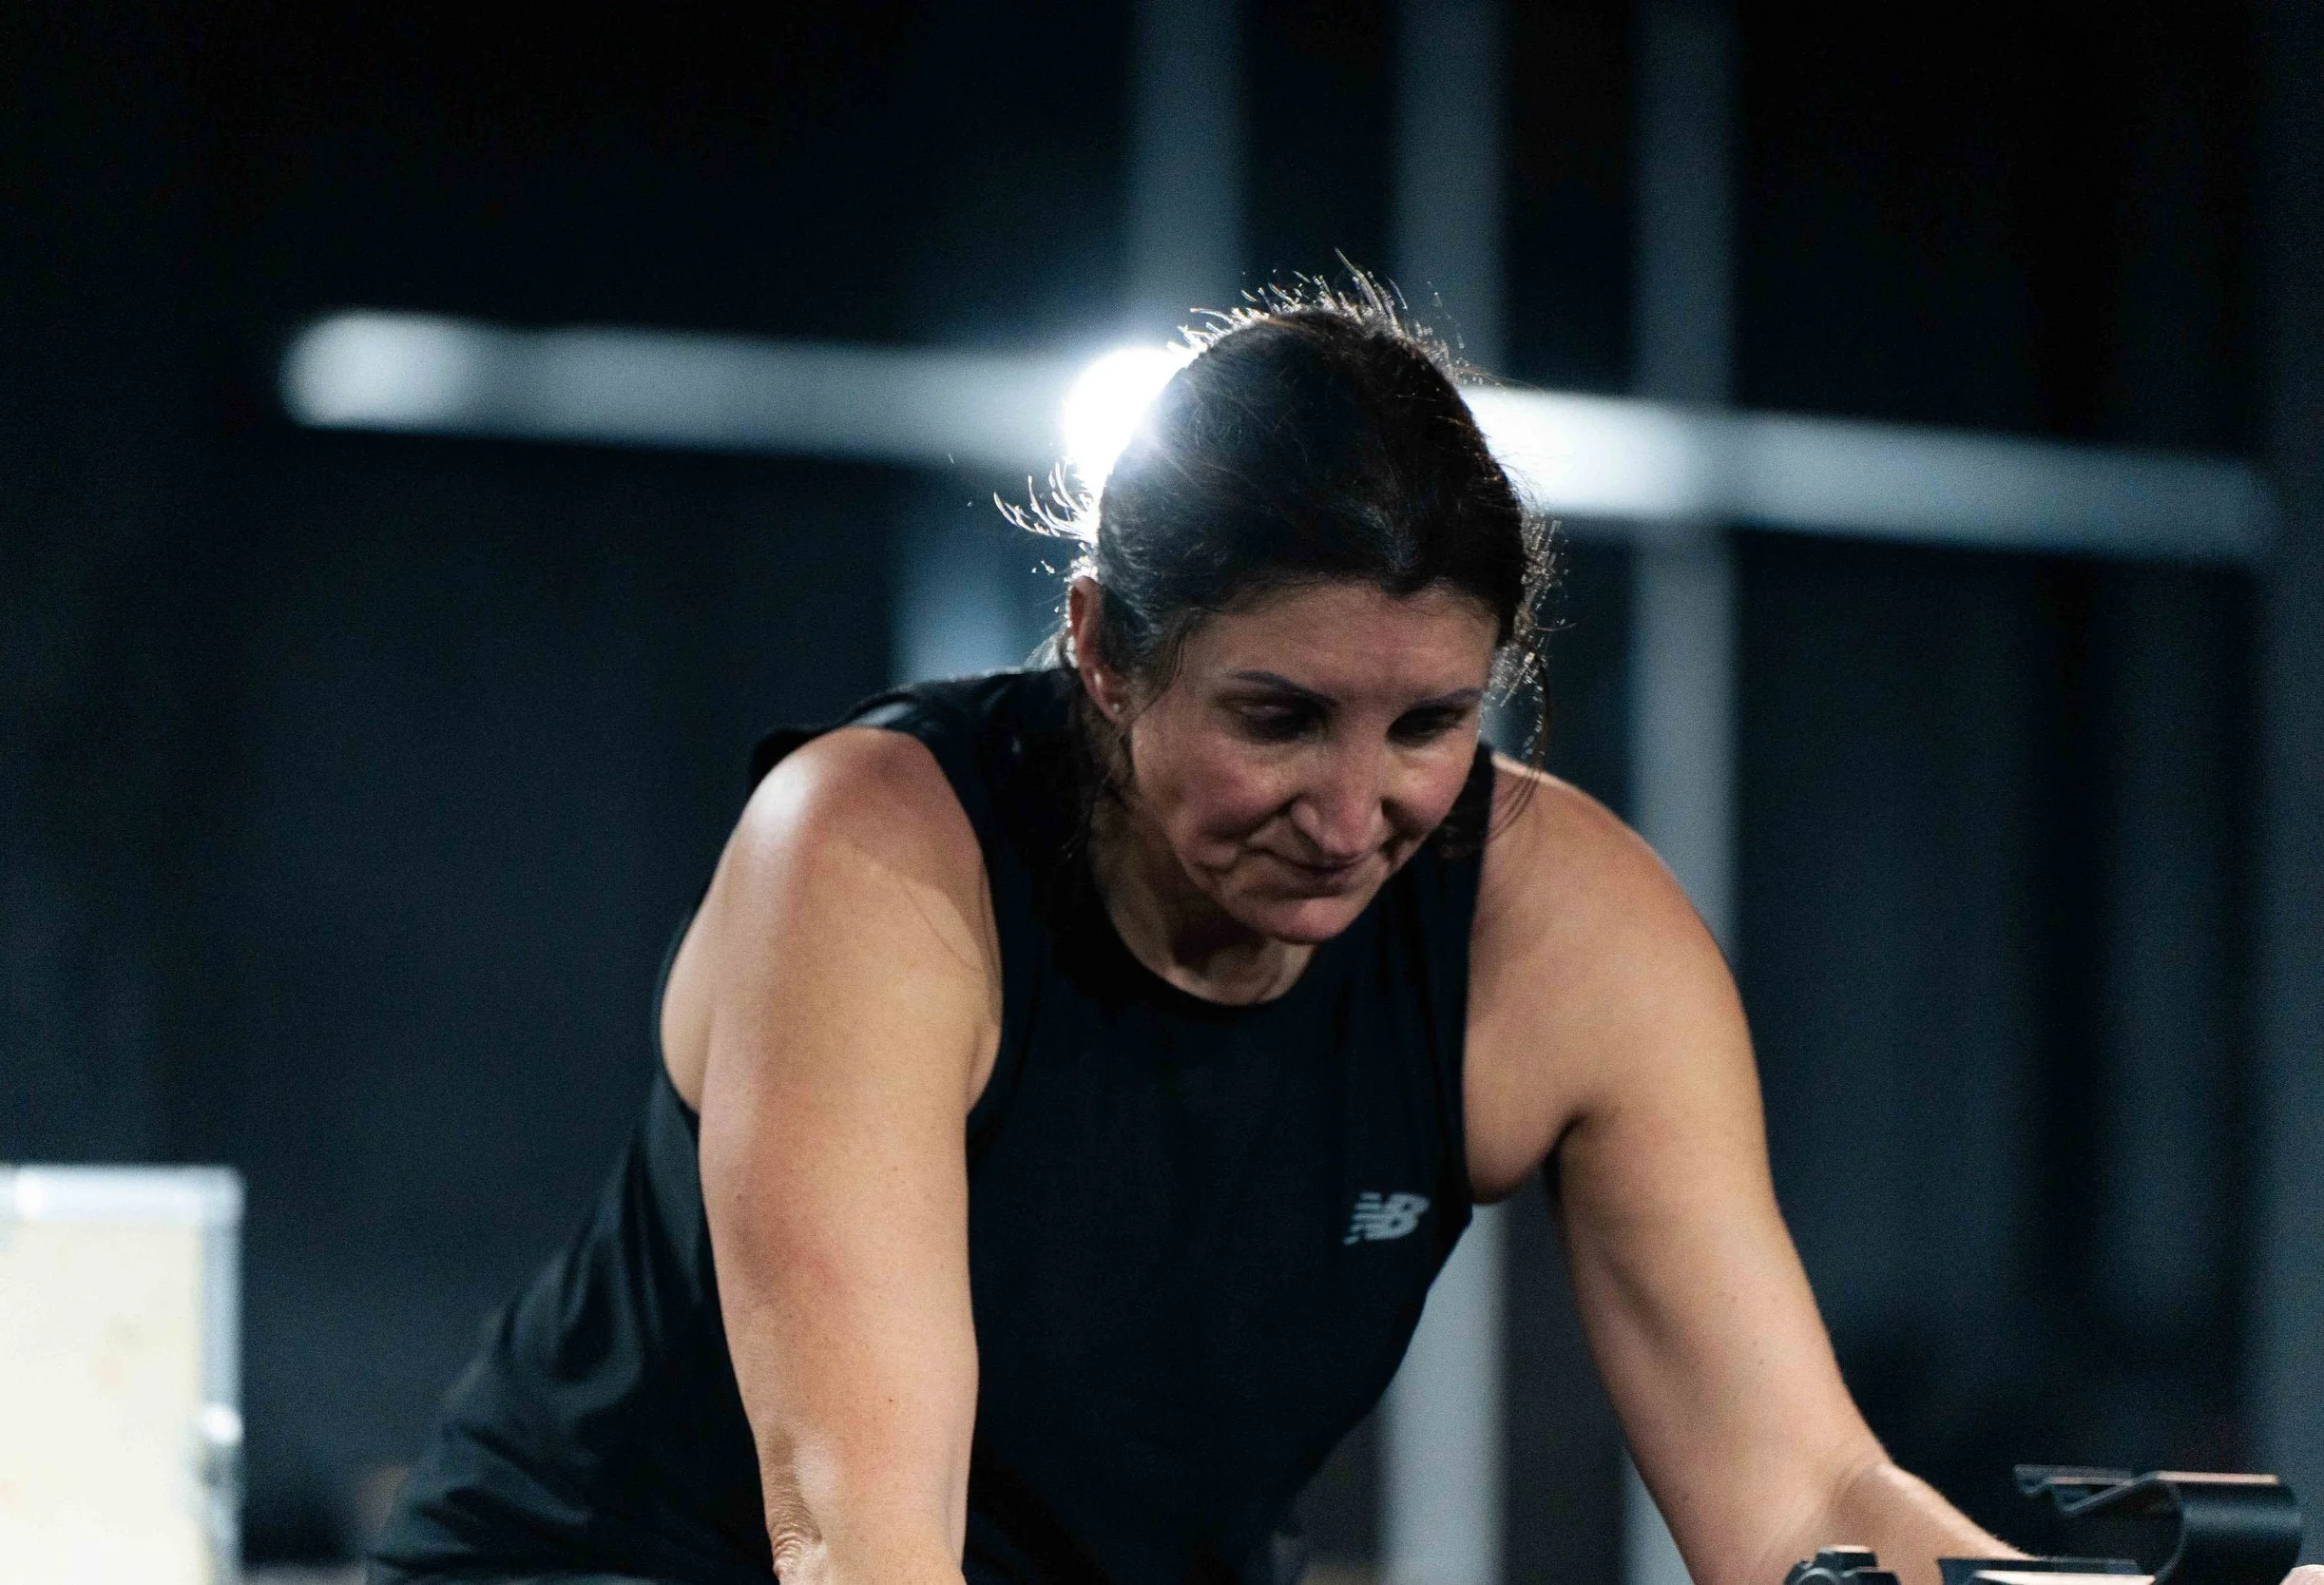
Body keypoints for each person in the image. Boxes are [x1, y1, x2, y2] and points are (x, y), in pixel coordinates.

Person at [364, 285, 2293, 1585]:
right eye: (1277, 715)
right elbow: (857, 1530)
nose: (1353, 807)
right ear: (1107, 650)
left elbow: (1798, 1496)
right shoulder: (871, 867)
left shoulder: (1563, 930)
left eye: (1427, 725)